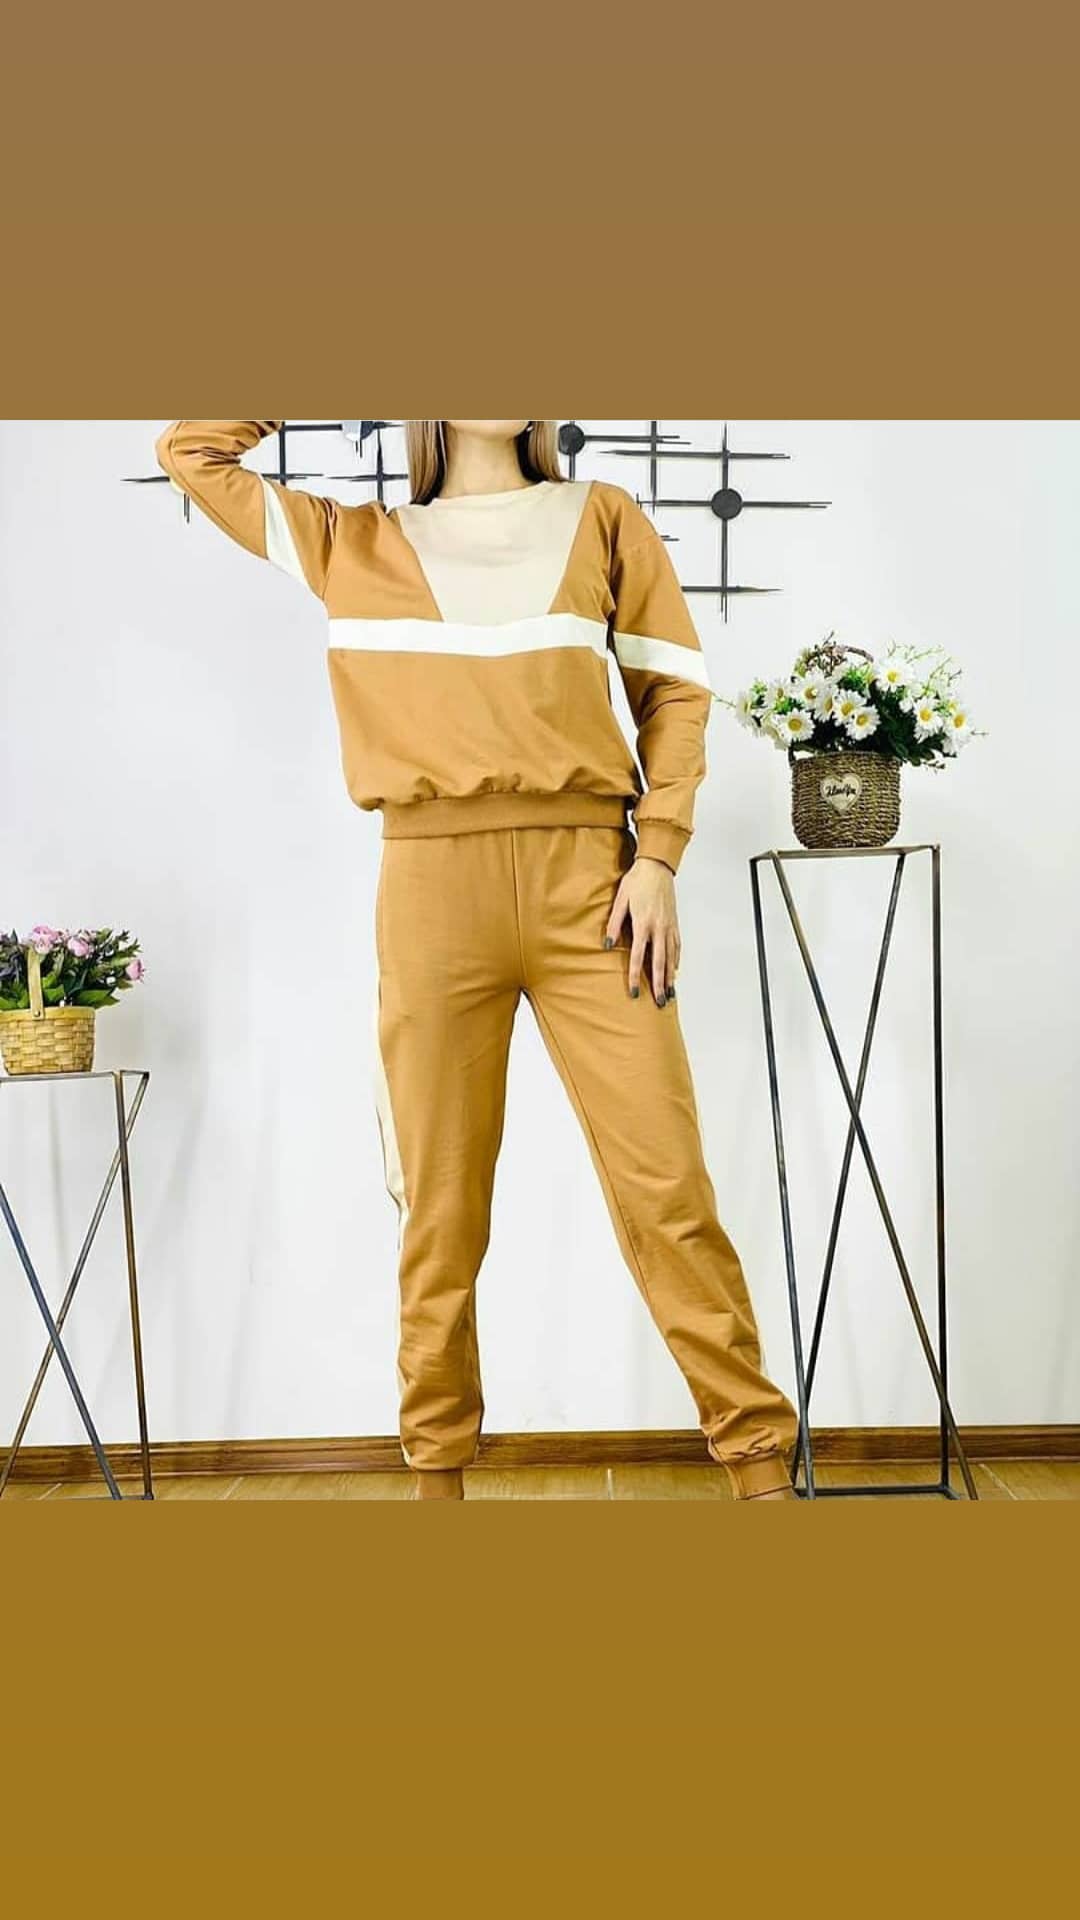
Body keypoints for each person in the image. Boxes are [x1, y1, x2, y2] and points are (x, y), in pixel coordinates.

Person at [155, 419, 800, 1501]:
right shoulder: (350, 540)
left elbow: (675, 693)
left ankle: (759, 1466)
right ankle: (438, 1477)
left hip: (595, 888)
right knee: (440, 1208)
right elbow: (192, 451)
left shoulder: (603, 517)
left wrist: (658, 855)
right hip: (430, 890)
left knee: (667, 1187)